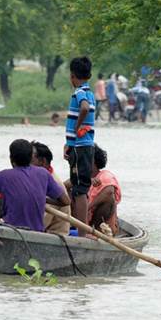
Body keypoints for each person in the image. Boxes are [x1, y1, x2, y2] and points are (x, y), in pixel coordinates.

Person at [0, 139, 69, 231]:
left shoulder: (3, 176)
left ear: (11, 158)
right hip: (37, 231)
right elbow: (66, 201)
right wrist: (44, 199)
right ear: (30, 158)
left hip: (13, 231)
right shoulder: (43, 173)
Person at [64, 56, 96, 237]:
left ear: (72, 76)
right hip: (81, 145)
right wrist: (68, 144)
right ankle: (81, 230)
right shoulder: (90, 92)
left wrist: (77, 128)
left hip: (81, 146)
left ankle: (82, 233)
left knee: (79, 190)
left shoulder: (80, 93)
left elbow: (83, 108)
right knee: (79, 187)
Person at [30, 141, 71, 235]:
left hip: (54, 234)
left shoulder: (53, 184)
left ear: (43, 161)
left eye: (30, 161)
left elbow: (42, 222)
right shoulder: (39, 179)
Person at [87, 144, 121, 235]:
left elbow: (109, 192)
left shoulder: (105, 176)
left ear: (92, 160)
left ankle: (95, 230)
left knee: (109, 198)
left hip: (103, 228)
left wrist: (88, 207)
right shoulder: (83, 178)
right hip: (84, 223)